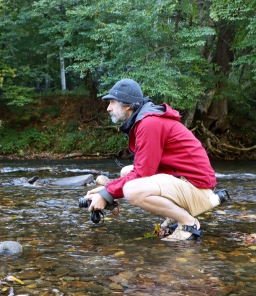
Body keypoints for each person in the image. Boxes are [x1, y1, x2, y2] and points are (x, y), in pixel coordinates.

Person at [85, 78, 217, 241]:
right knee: (126, 171)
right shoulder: (146, 120)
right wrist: (107, 189)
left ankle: (189, 223)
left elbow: (142, 174)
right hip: (188, 182)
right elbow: (142, 170)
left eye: (112, 102)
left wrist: (107, 194)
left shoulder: (149, 124)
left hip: (199, 189)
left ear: (127, 105)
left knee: (132, 190)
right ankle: (176, 216)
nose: (108, 108)